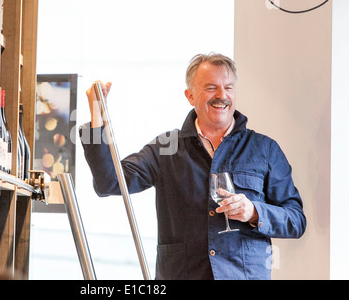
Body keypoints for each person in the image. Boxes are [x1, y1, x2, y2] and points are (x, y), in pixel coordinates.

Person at [79, 53, 306, 280]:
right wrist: (98, 119)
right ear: (190, 95)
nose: (222, 95)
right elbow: (109, 182)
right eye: (211, 88)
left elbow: (295, 220)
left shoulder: (264, 148)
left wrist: (254, 212)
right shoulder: (166, 148)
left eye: (228, 87)